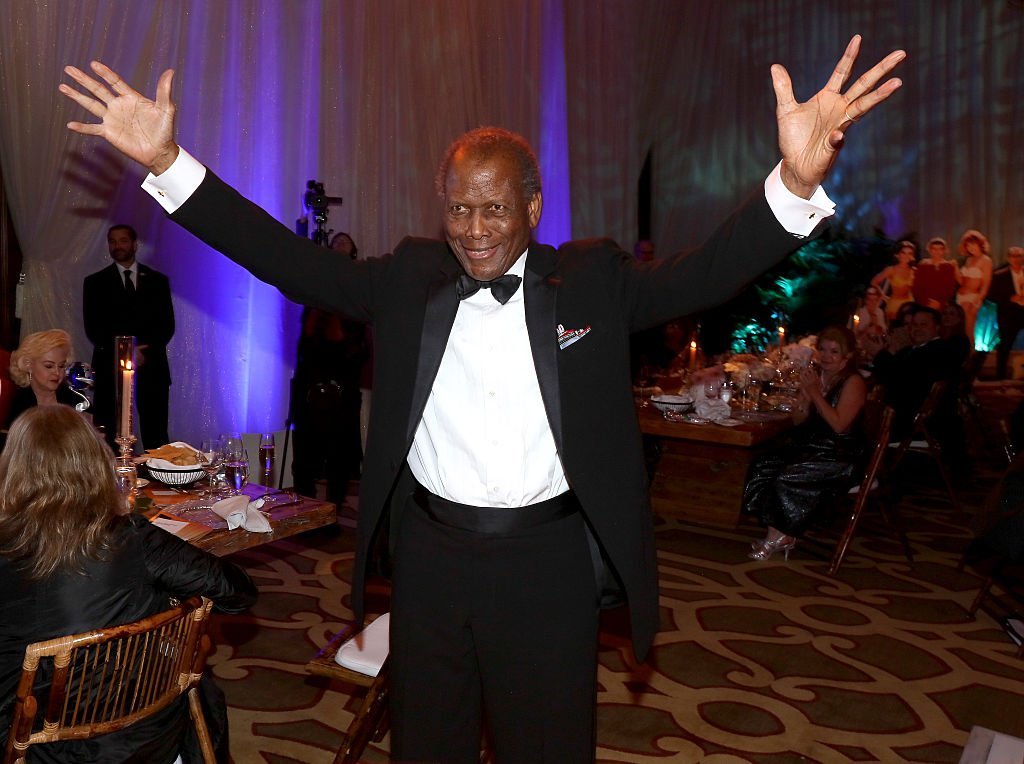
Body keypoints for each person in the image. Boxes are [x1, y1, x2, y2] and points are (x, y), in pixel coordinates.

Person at [59, 37, 905, 763]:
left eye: (493, 208)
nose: (473, 228)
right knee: (428, 743)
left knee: (547, 745)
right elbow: (282, 257)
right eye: (458, 208)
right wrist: (170, 166)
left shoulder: (592, 285)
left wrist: (793, 185)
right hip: (430, 556)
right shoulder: (408, 283)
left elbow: (711, 270)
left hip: (548, 563)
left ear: (532, 209)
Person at [0, 405, 258, 763]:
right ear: (94, 463)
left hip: (35, 745)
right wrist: (168, 601)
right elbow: (238, 592)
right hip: (148, 734)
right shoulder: (133, 538)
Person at [744, 326, 868, 560]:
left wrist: (816, 394)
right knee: (764, 465)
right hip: (813, 446)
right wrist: (803, 398)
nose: (826, 356)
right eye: (822, 350)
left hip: (841, 454)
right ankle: (783, 533)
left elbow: (838, 425)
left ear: (847, 356)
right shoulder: (817, 375)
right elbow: (799, 420)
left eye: (834, 351)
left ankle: (777, 537)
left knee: (788, 476)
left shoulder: (853, 382)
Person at [290, 230, 368, 501]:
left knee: (338, 454)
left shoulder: (358, 291)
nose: (339, 243)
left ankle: (332, 510)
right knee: (304, 454)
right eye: (335, 242)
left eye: (345, 242)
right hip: (310, 382)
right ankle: (303, 507)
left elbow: (351, 345)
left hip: (343, 385)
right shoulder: (315, 289)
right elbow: (307, 338)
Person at [83, 224, 175, 449]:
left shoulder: (157, 281)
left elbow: (166, 325)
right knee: (110, 434)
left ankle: (159, 479)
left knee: (156, 435)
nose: (118, 246)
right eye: (113, 241)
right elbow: (94, 328)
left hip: (151, 367)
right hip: (109, 369)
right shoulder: (95, 282)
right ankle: (110, 482)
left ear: (135, 245)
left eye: (123, 241)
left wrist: (144, 352)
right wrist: (126, 353)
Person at [869, 305, 967, 446]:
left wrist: (879, 354)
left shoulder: (938, 351)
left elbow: (902, 380)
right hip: (903, 420)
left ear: (937, 327)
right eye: (914, 324)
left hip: (915, 426)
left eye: (923, 324)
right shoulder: (912, 350)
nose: (917, 328)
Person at [5, 329, 89, 428]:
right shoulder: (18, 403)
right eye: (49, 366)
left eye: (61, 366)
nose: (57, 373)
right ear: (28, 364)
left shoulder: (76, 397)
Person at [988, 246, 1024, 379]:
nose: (1016, 259)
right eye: (1013, 256)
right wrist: (1009, 298)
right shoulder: (1000, 275)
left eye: (1019, 256)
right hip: (1008, 315)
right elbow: (991, 295)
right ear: (1008, 258)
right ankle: (1000, 377)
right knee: (1005, 347)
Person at [955, 228, 993, 346]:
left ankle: (971, 359)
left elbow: (986, 283)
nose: (971, 248)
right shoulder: (969, 260)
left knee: (969, 330)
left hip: (973, 298)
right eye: (968, 245)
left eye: (973, 245)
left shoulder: (986, 260)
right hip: (960, 297)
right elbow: (962, 282)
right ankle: (963, 358)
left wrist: (979, 300)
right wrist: (955, 268)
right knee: (960, 330)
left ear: (980, 244)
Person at [871, 239, 917, 321]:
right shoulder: (891, 270)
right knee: (895, 330)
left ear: (912, 256)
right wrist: (883, 296)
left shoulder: (914, 271)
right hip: (895, 306)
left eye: (909, 253)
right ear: (898, 254)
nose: (906, 256)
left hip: (909, 304)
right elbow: (874, 282)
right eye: (903, 252)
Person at [914, 236, 959, 310]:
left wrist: (940, 303)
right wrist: (926, 302)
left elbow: (950, 289)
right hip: (924, 306)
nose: (937, 252)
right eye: (934, 249)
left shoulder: (949, 267)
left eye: (940, 249)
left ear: (944, 251)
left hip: (942, 307)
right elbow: (917, 287)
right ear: (929, 250)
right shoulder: (922, 265)